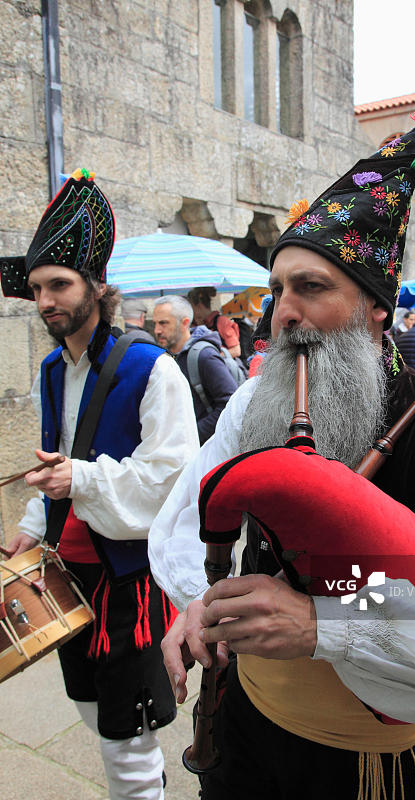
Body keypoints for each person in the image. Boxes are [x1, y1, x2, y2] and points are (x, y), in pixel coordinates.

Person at [148, 116, 415, 800]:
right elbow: (189, 507)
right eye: (278, 291)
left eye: (312, 288)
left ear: (375, 309)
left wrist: (328, 625)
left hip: (353, 759)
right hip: (240, 724)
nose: (281, 314)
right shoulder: (251, 405)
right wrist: (192, 602)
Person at [1, 169, 199, 800]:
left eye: (58, 284)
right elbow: (56, 464)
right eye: (36, 289)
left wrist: (78, 476)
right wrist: (31, 527)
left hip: (126, 583)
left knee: (128, 739)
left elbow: (170, 480)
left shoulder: (152, 367)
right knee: (92, 711)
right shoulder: (52, 368)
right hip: (65, 575)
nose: (46, 301)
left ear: (96, 286)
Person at [153, 295, 238, 444]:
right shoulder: (167, 357)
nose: (157, 330)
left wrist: (192, 435)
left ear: (185, 323)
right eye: (155, 324)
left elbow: (230, 404)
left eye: (163, 323)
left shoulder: (204, 356)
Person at [187, 286, 242, 358]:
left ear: (199, 306)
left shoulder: (221, 322)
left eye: (191, 308)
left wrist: (212, 359)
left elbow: (236, 351)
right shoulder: (194, 324)